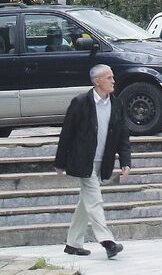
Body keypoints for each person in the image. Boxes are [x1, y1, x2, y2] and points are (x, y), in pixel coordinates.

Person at [53, 64, 132, 259]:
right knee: (95, 200)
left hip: (103, 161)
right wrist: (60, 162)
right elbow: (67, 133)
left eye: (112, 77)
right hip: (83, 161)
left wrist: (125, 160)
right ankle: (107, 242)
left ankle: (72, 244)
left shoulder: (116, 103)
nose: (113, 81)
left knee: (86, 202)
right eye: (109, 77)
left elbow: (123, 134)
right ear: (97, 81)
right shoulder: (80, 102)